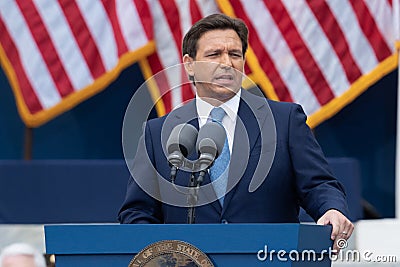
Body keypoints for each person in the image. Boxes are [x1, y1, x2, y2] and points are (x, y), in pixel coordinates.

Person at [118, 13, 354, 251]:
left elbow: (319, 184)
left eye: (234, 55)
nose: (227, 63)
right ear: (189, 64)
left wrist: (331, 209)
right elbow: (138, 212)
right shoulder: (157, 133)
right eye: (214, 55)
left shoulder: (285, 121)